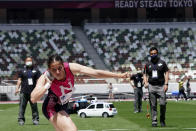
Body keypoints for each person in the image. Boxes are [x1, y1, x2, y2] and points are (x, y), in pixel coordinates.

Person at [31, 54, 129, 131]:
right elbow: (33, 98)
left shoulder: (70, 68)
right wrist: (47, 84)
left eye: (60, 68)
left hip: (63, 105)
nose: (57, 72)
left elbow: (95, 73)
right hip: (51, 107)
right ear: (49, 70)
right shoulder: (45, 76)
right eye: (54, 70)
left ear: (63, 66)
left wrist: (119, 75)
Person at [143, 47, 169, 127]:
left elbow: (167, 72)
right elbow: (144, 74)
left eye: (154, 53)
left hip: (161, 86)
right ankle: (154, 121)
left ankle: (162, 120)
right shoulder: (147, 64)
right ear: (150, 54)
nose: (153, 55)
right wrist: (146, 82)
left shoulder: (162, 62)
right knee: (153, 105)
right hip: (151, 86)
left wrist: (166, 84)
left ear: (157, 53)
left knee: (163, 104)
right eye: (152, 54)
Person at [15, 56, 41, 126]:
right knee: (22, 107)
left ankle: (35, 119)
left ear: (32, 62)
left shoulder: (36, 71)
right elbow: (19, 80)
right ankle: (21, 120)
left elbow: (38, 81)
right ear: (25, 62)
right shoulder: (22, 71)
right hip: (23, 92)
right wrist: (17, 88)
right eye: (27, 60)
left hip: (33, 92)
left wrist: (39, 89)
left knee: (34, 107)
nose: (28, 62)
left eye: (30, 60)